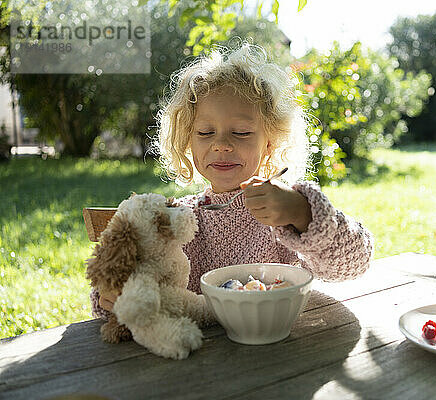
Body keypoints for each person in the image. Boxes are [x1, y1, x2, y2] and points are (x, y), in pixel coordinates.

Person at [91, 43, 373, 319]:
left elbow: (355, 261)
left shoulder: (286, 211)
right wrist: (114, 296)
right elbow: (116, 293)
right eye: (205, 132)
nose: (222, 144)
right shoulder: (176, 221)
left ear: (270, 144)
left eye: (240, 132)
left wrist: (302, 212)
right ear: (187, 141)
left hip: (282, 352)